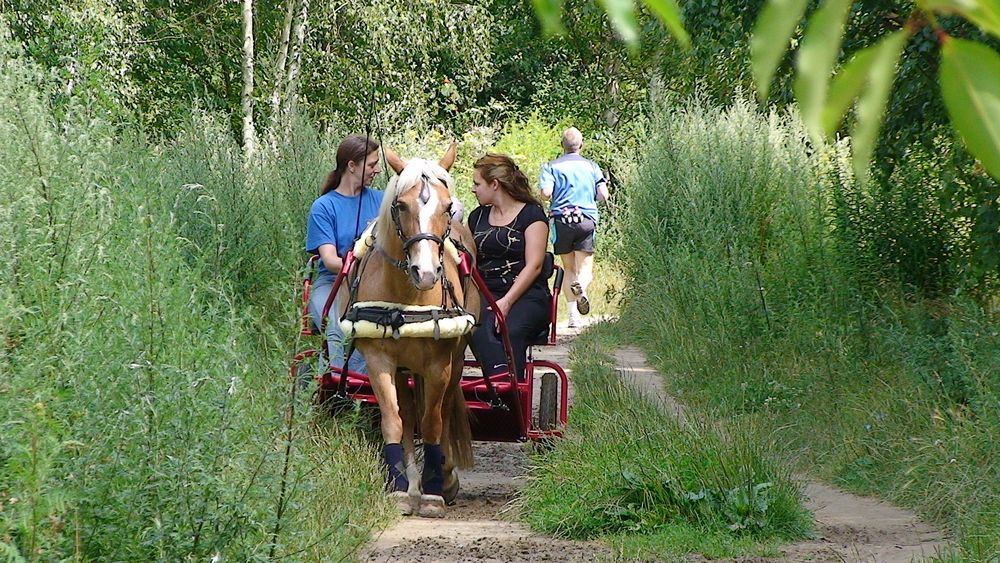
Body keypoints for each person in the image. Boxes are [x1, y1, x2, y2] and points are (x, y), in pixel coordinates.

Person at [468, 154, 551, 380]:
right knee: (474, 325)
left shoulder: (532, 215)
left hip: (527, 293)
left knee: (510, 330)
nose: (473, 189)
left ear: (494, 184)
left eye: (477, 184)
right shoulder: (477, 217)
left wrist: (506, 302)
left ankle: (511, 391)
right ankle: (500, 382)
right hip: (486, 292)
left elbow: (534, 266)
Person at [306, 135, 384, 375]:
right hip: (333, 283)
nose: (378, 170)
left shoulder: (382, 200)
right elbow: (329, 261)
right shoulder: (324, 206)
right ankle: (341, 389)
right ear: (352, 166)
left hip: (375, 285)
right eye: (371, 165)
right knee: (340, 324)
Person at [539, 127, 609, 328]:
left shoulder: (551, 167)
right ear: (581, 145)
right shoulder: (592, 167)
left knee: (569, 268)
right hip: (586, 218)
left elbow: (546, 193)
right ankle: (583, 290)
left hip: (562, 221)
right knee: (586, 267)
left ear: (562, 146)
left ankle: (572, 317)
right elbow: (603, 195)